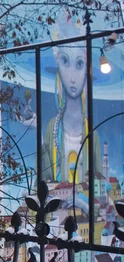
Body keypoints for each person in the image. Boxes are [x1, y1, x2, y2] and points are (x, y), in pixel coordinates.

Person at [41, 19, 101, 184]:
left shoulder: (92, 134)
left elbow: (100, 183)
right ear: (58, 63)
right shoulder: (51, 129)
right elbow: (43, 183)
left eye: (79, 64)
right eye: (66, 62)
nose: (72, 77)